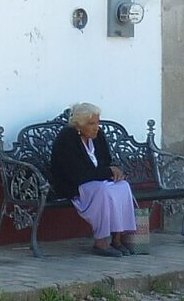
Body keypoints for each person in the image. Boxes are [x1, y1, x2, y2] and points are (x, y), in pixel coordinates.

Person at [50, 102, 138, 257]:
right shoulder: (66, 139)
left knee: (122, 186)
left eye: (97, 122)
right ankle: (100, 242)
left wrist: (113, 173)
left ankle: (117, 239)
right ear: (79, 126)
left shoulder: (97, 135)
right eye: (91, 123)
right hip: (74, 186)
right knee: (102, 190)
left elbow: (106, 161)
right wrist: (107, 172)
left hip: (95, 180)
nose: (96, 127)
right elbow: (78, 174)